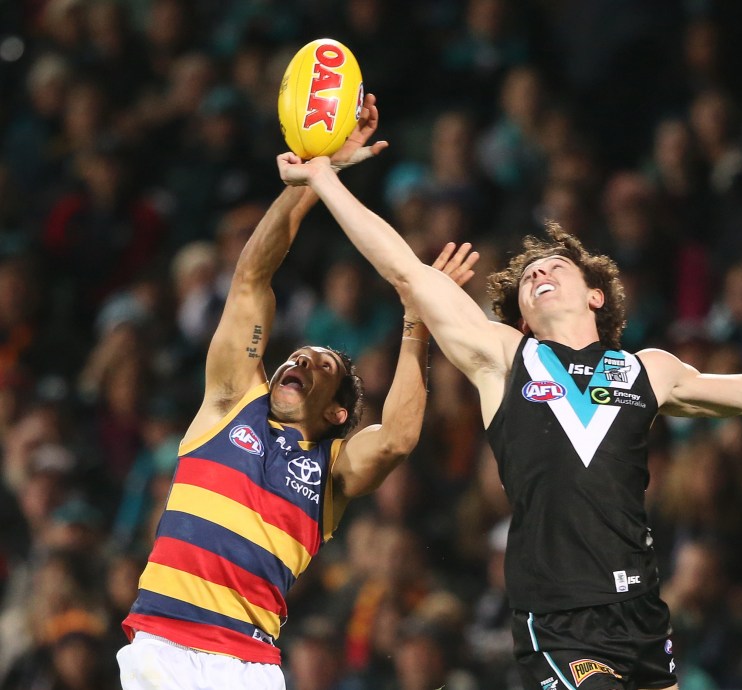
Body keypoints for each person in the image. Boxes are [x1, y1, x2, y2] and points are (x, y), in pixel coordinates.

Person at [277, 137, 742, 690]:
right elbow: (405, 270)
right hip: (559, 619)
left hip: (641, 616)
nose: (536, 275)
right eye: (527, 279)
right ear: (522, 316)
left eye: (552, 266)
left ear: (595, 294)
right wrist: (326, 178)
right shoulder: (504, 359)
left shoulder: (647, 369)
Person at [115, 94, 478, 690]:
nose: (303, 355)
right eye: (301, 352)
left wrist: (417, 319)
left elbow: (397, 439)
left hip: (248, 665)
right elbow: (253, 276)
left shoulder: (331, 471)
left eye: (325, 363)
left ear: (337, 410)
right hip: (162, 645)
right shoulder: (231, 399)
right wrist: (316, 175)